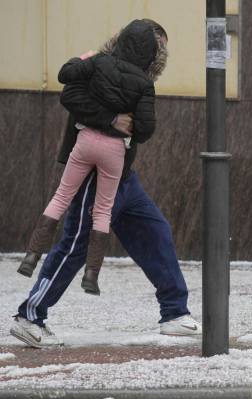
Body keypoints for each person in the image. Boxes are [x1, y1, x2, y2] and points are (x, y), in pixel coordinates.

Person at [9, 19, 201, 349]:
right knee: (75, 246)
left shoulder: (138, 81)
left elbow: (142, 128)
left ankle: (175, 314)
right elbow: (70, 97)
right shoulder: (94, 63)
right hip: (92, 174)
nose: (162, 56)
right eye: (160, 49)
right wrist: (111, 120)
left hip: (121, 176)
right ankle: (30, 316)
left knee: (155, 231)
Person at [17, 19, 165, 297]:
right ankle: (91, 275)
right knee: (102, 211)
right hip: (114, 152)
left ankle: (31, 255)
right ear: (150, 54)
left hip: (85, 142)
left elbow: (66, 74)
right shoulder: (145, 84)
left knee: (60, 197)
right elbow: (145, 130)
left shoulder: (99, 63)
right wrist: (126, 122)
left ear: (119, 41)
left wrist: (82, 58)